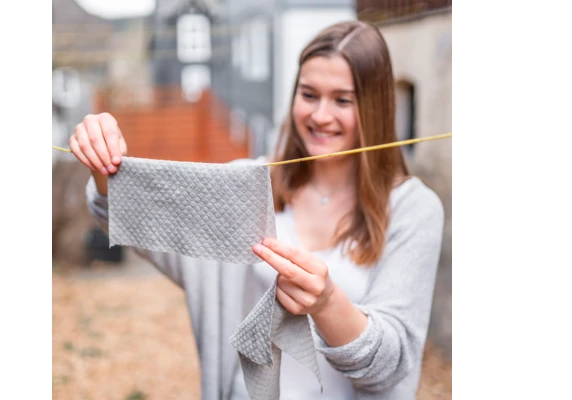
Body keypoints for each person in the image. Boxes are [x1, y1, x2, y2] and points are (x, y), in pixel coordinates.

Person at [71, 20, 444, 400]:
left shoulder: (414, 210)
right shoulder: (247, 185)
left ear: (375, 107)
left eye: (342, 100)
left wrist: (328, 303)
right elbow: (146, 224)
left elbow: (391, 366)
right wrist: (105, 167)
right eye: (309, 94)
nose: (320, 115)